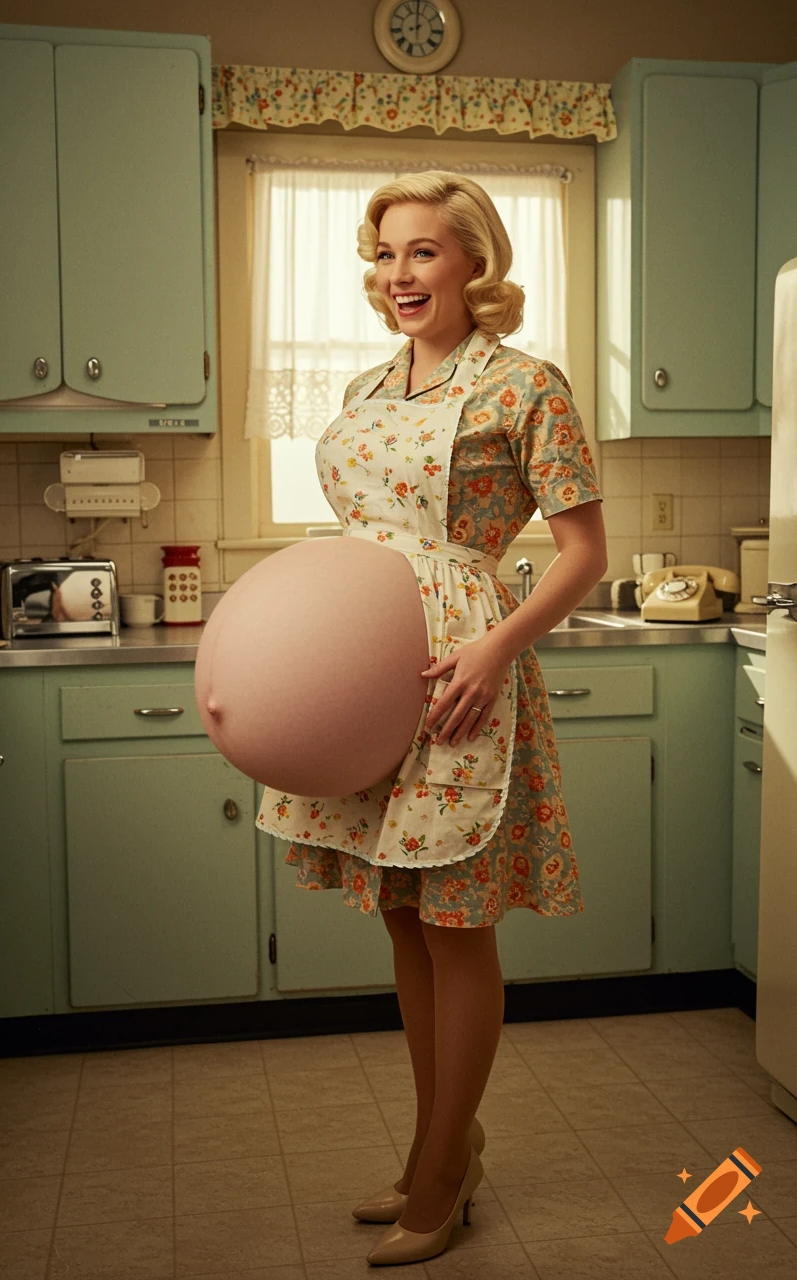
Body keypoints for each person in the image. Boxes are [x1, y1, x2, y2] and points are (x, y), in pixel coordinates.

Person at [269, 170, 607, 1263]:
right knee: (403, 919)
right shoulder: (370, 390)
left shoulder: (524, 386)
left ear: (472, 261)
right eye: (382, 254)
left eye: (420, 252)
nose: (397, 274)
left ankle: (443, 1172)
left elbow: (582, 556)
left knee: (457, 923)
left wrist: (494, 645)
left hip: (463, 673)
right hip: (374, 675)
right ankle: (435, 1145)